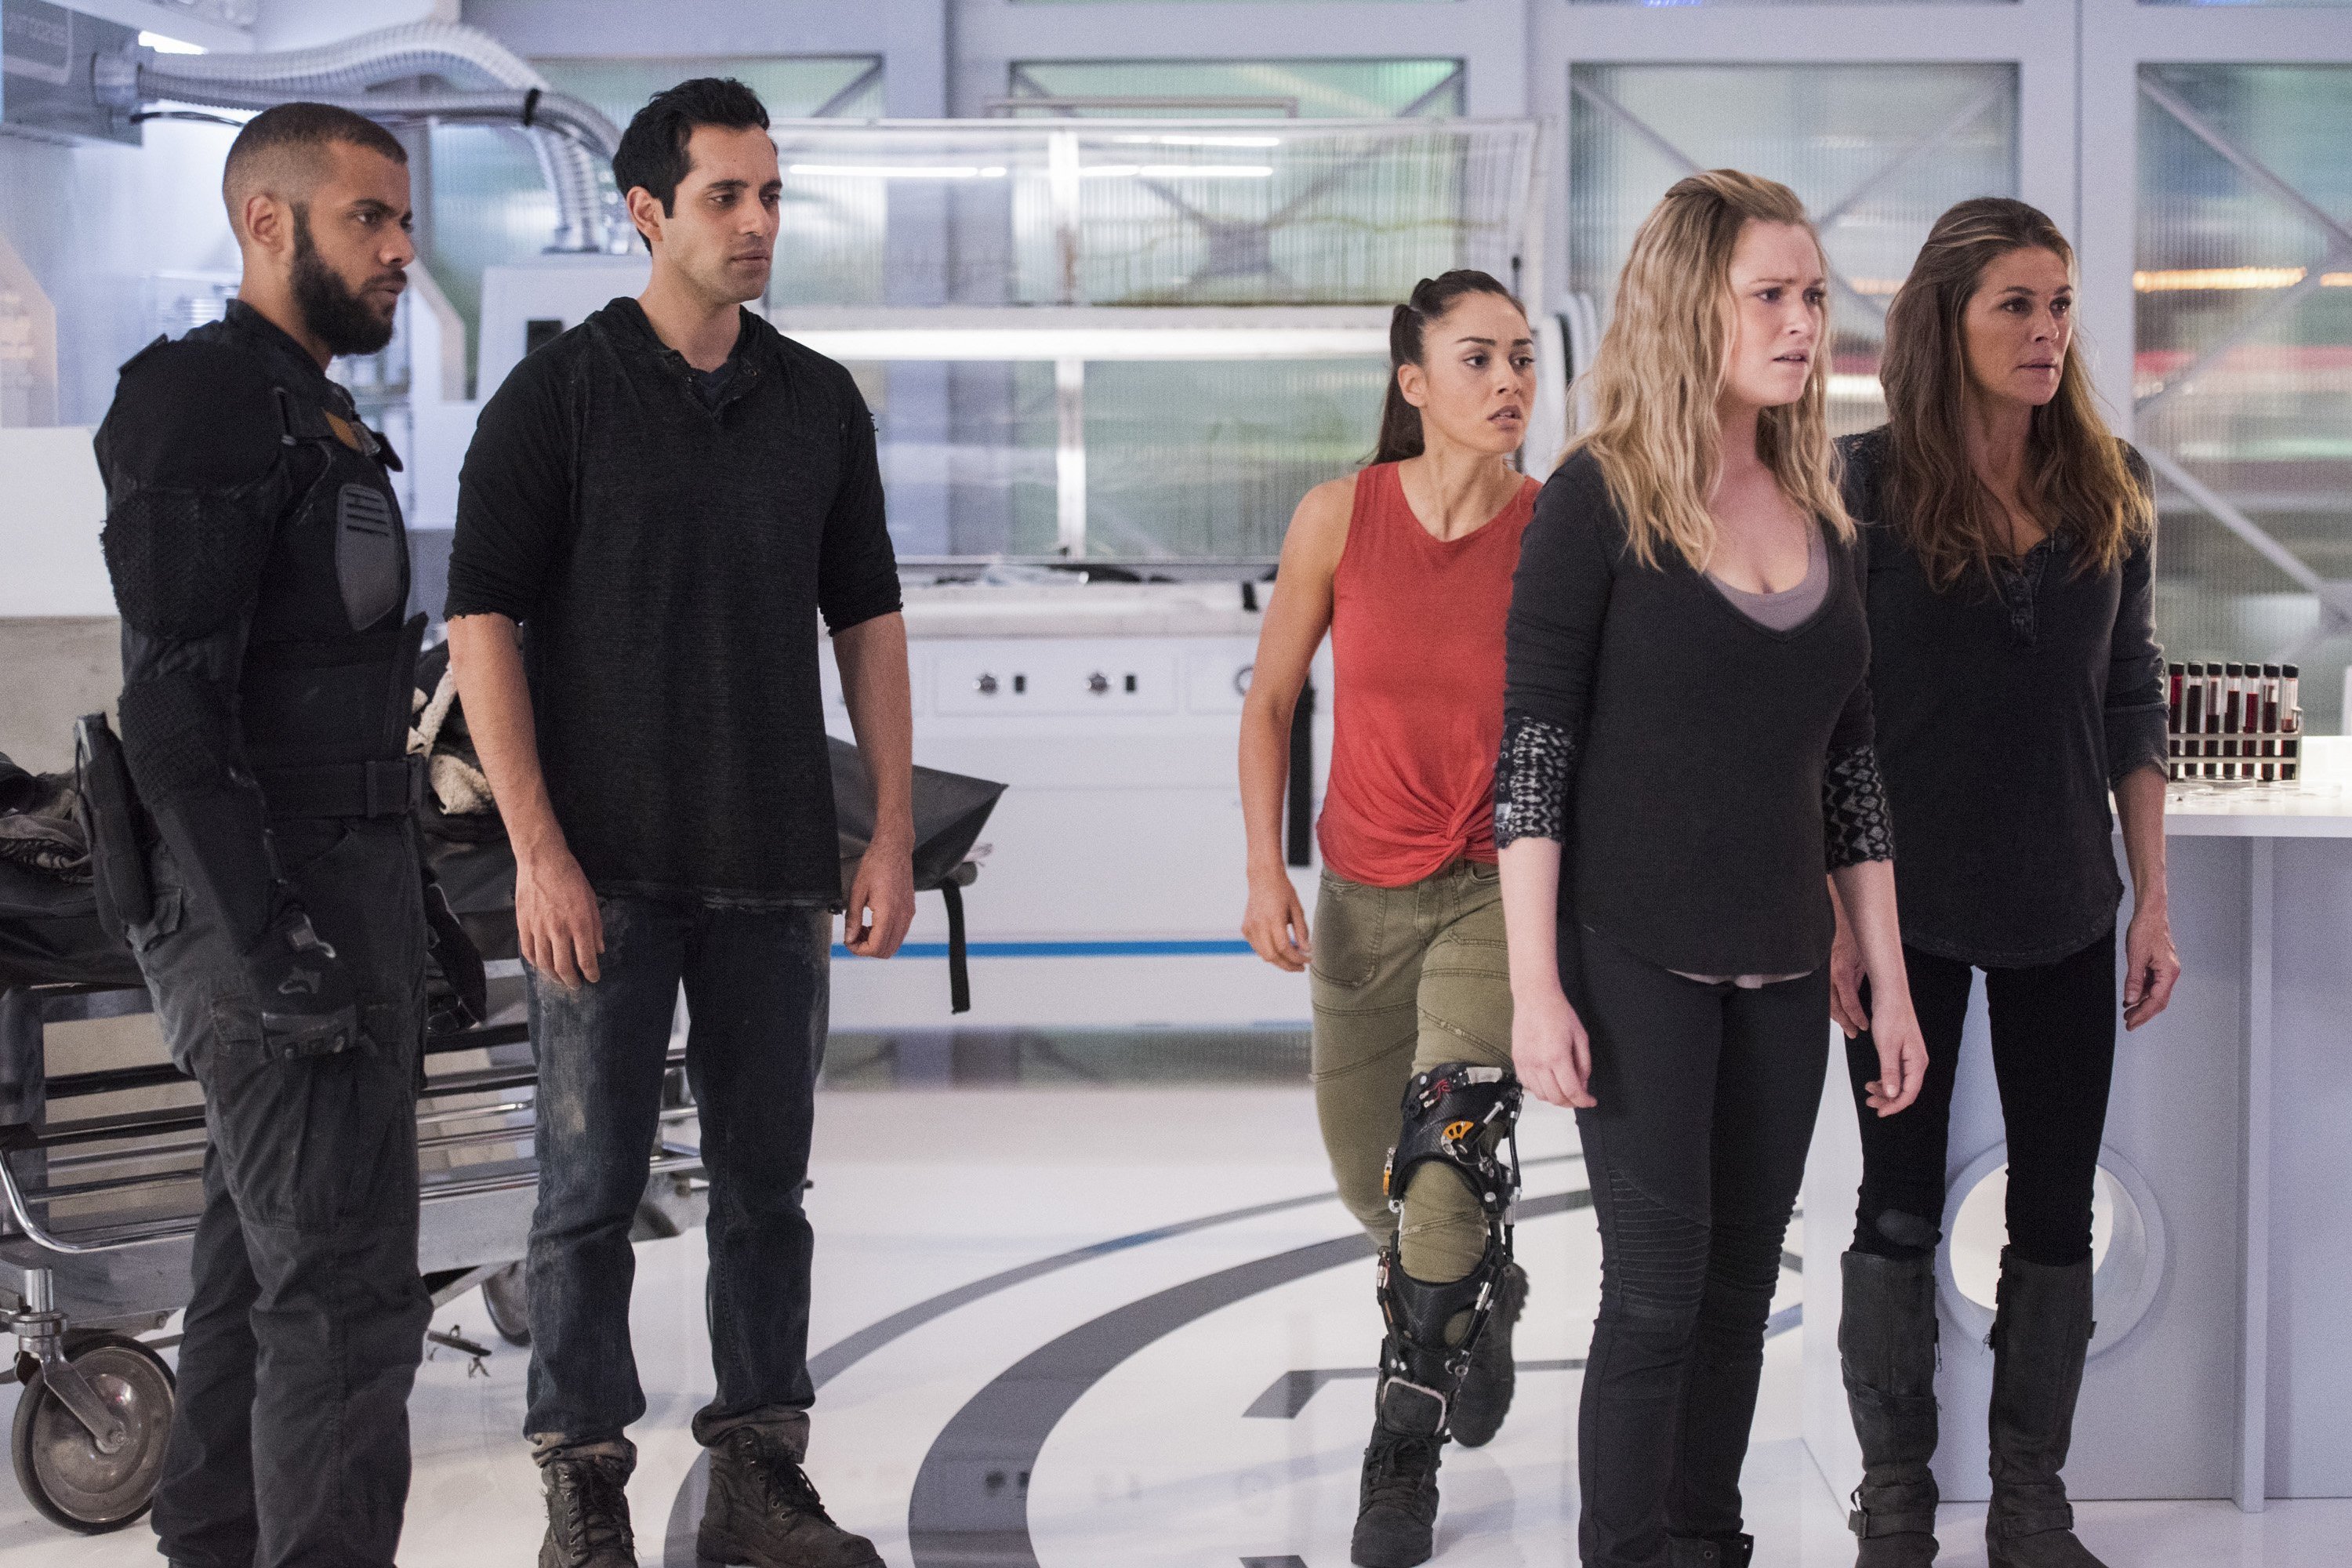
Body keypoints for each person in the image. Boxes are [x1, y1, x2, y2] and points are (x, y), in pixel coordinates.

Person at [444, 78, 913, 1568]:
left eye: (772, 195)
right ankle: (584, 1487)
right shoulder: (558, 398)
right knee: (587, 1194)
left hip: (773, 863)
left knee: (767, 1193)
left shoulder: (817, 403)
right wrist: (538, 853)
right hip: (604, 871)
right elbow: (479, 623)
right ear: (647, 211)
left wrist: (889, 832)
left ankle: (761, 1474)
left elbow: (869, 621)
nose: (759, 221)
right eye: (727, 196)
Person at [1497, 170, 1930, 1568]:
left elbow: (1850, 767)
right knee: (1658, 1293)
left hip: (1786, 962)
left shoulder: (1825, 507)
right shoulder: (1597, 499)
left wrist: (1889, 976)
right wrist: (1532, 990)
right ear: (1693, 306)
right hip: (1631, 952)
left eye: (1815, 296)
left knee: (1743, 1291)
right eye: (1771, 296)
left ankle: (1708, 1541)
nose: (1804, 323)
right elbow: (1534, 759)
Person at [95, 103, 433, 1566]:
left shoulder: (314, 407)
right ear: (266, 222)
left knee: (260, 1268)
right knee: (344, 1301)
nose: (401, 249)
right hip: (269, 908)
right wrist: (270, 932)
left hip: (342, 888)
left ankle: (215, 1544)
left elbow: (328, 688)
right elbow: (171, 706)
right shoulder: (205, 398)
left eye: (404, 219)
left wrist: (407, 909)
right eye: (370, 218)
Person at [1830, 198, 2180, 1568]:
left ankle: (2031, 1504)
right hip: (1899, 911)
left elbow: (2131, 697)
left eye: (2061, 305)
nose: (2048, 333)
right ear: (1947, 319)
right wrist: (1838, 916)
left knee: (2055, 1204)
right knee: (1898, 1203)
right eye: (2016, 306)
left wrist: (2151, 897)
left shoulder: (2110, 485)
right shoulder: (1859, 488)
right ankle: (1896, 1499)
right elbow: (1825, 714)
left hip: (2065, 899)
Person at [1240, 270, 1541, 1568]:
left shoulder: (1557, 528)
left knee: (1442, 1179)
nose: (1510, 381)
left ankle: (1399, 1454)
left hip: (1494, 892)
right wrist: (1265, 871)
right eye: (1478, 358)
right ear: (1414, 383)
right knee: (1372, 1181)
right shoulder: (1339, 517)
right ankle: (1479, 1290)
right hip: (1360, 898)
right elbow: (1271, 704)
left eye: (1522, 357)